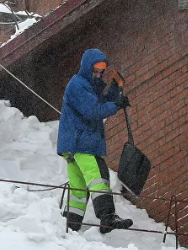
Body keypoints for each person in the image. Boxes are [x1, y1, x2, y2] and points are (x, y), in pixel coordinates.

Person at [56, 48, 133, 233]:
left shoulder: (87, 86)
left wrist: (114, 88)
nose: (98, 75)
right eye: (95, 71)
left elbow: (100, 102)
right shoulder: (78, 85)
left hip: (74, 144)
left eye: (101, 72)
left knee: (78, 189)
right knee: (98, 175)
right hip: (81, 141)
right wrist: (116, 105)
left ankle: (71, 227)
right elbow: (93, 110)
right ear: (86, 67)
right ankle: (107, 217)